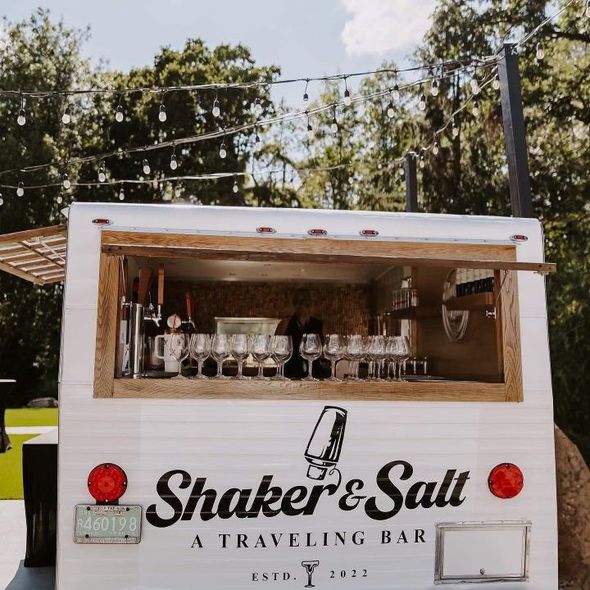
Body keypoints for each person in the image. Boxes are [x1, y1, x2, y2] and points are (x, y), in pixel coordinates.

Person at [276, 288, 324, 379]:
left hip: (315, 375)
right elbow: (275, 350)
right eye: (301, 302)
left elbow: (325, 352)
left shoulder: (320, 325)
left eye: (307, 302)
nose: (304, 305)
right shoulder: (285, 324)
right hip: (289, 374)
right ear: (295, 304)